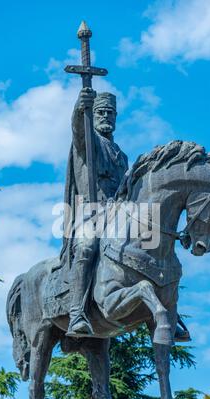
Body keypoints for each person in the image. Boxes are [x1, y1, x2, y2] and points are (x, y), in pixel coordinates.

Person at [61, 88, 128, 336]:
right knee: (87, 247)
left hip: (117, 216)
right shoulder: (86, 142)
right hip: (90, 213)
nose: (106, 116)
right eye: (101, 112)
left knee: (149, 245)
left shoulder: (122, 156)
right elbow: (79, 129)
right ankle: (76, 313)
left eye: (111, 113)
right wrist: (81, 108)